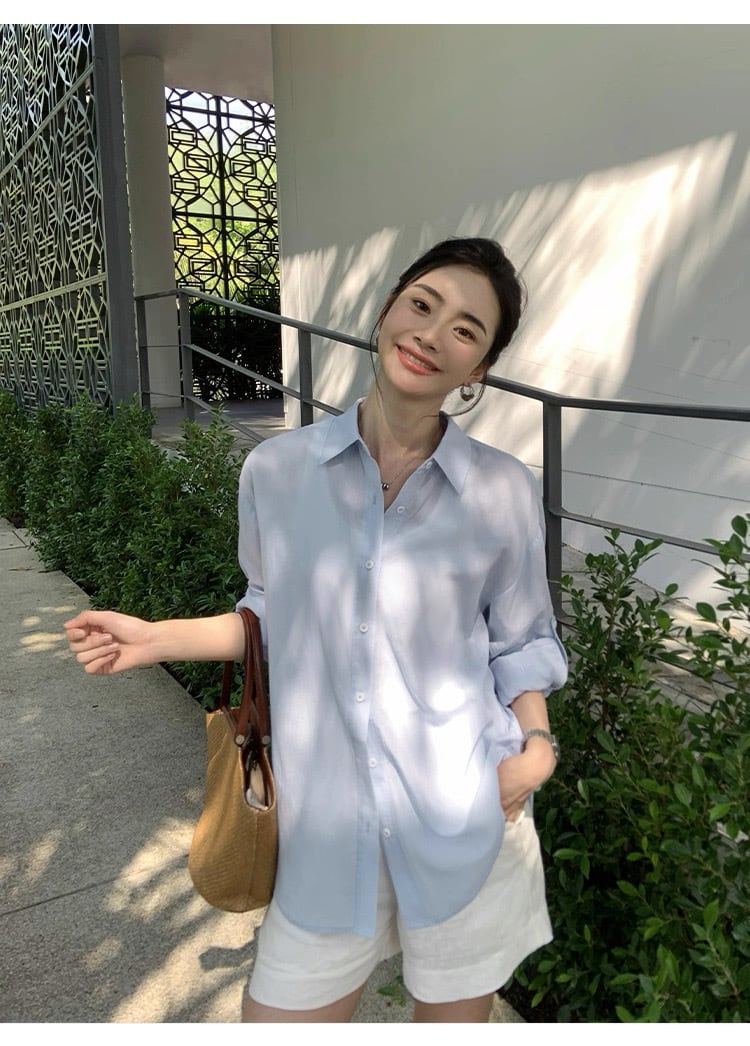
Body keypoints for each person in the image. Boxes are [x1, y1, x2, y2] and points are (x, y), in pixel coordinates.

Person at [65, 237, 568, 1023]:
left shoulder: (501, 489)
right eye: (423, 304)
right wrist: (155, 638)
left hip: (470, 809)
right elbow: (272, 615)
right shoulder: (277, 471)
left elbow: (521, 641)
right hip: (326, 827)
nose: (433, 334)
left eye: (466, 330)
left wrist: (535, 750)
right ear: (387, 311)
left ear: (478, 369)